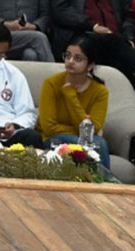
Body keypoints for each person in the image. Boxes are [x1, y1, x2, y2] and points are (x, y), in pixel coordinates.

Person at [36, 35, 111, 168]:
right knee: (97, 143)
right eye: (68, 55)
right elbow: (49, 128)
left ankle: (103, 186)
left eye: (78, 58)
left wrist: (71, 96)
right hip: (52, 140)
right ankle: (107, 182)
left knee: (99, 144)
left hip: (82, 139)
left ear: (90, 65)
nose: (70, 61)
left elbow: (92, 130)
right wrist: (82, 131)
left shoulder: (100, 91)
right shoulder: (51, 84)